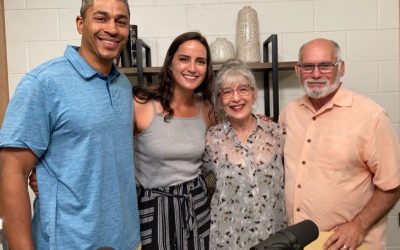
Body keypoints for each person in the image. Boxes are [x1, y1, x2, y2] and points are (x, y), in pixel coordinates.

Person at [0, 0, 141, 249]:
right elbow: (11, 171)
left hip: (123, 240)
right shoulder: (42, 84)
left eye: (121, 21)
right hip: (66, 242)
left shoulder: (122, 86)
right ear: (80, 24)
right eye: (101, 18)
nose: (112, 28)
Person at [279, 38, 400, 250]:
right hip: (299, 241)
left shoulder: (370, 116)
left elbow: (393, 183)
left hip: (348, 243)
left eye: (325, 65)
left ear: (341, 68)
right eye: (308, 66)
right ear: (298, 70)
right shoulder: (290, 112)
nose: (316, 74)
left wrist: (359, 226)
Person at [132, 31, 214, 250]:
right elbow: (104, 144)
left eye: (201, 61)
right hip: (154, 205)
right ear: (170, 63)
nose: (192, 68)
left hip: (196, 203)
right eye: (184, 59)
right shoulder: (141, 104)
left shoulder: (208, 109)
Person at [201, 59, 286, 250]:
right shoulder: (212, 138)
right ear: (220, 99)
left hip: (272, 236)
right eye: (227, 92)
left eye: (243, 89)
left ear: (254, 94)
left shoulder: (276, 133)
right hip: (227, 239)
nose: (236, 98)